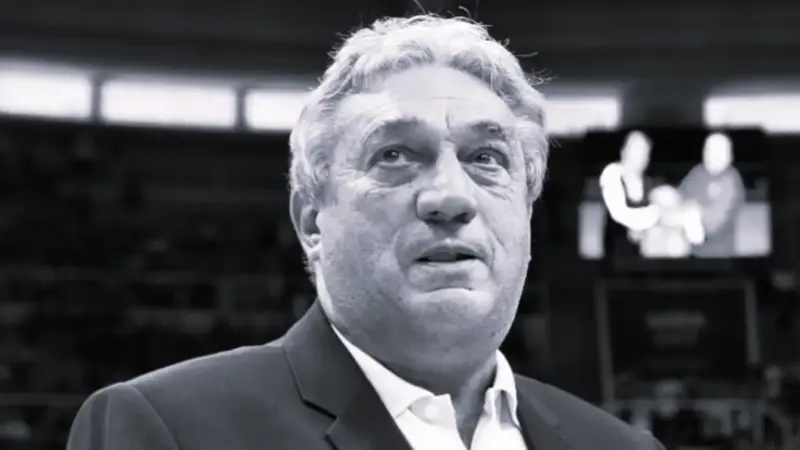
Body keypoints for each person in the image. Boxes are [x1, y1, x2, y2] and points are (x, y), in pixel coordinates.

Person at [67, 15, 664, 450]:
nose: (451, 196)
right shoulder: (167, 428)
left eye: (486, 158)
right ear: (312, 223)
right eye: (395, 155)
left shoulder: (622, 447)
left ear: (527, 216)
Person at [678, 132, 745, 258]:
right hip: (690, 249)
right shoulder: (697, 172)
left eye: (719, 150)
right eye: (709, 149)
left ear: (729, 156)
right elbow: (679, 197)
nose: (712, 155)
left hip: (718, 253)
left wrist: (693, 213)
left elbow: (713, 224)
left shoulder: (731, 180)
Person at [599, 130, 661, 261]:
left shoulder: (651, 183)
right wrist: (647, 221)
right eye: (635, 150)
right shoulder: (611, 174)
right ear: (623, 152)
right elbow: (619, 214)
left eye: (644, 152)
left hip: (646, 255)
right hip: (617, 255)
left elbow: (661, 211)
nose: (639, 156)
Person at [635, 185, 705, 258]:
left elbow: (697, 239)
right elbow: (635, 237)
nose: (664, 210)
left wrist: (690, 223)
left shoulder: (687, 215)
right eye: (658, 204)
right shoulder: (648, 216)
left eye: (668, 206)